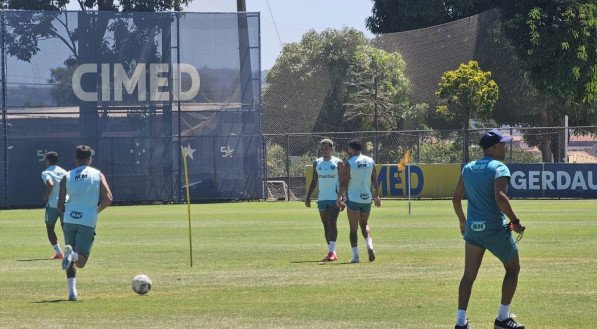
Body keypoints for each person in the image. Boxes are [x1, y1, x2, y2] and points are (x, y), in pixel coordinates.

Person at [452, 129, 525, 329]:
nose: (505, 147)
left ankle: (460, 322)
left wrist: (462, 221)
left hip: (473, 230)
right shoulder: (499, 167)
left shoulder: (468, 167)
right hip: (494, 229)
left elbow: (456, 198)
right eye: (503, 144)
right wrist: (515, 221)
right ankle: (503, 318)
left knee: (468, 276)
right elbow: (500, 197)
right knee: (513, 268)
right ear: (493, 147)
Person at [58, 145, 113, 301]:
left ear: (76, 159)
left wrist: (67, 214)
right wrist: (94, 211)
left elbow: (59, 206)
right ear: (90, 159)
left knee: (70, 257)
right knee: (80, 261)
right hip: (87, 220)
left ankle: (72, 292)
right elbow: (108, 198)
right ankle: (72, 254)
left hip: (69, 220)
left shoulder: (66, 175)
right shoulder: (97, 174)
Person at [338, 139, 381, 263]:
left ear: (352, 149)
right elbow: (374, 180)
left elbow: (345, 183)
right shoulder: (370, 161)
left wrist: (340, 197)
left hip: (354, 198)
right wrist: (376, 196)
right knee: (364, 224)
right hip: (366, 198)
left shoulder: (349, 163)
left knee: (353, 229)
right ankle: (370, 246)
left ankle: (356, 256)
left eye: (349, 148)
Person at [305, 139, 344, 261]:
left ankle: (331, 252)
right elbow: (314, 180)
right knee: (326, 225)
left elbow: (343, 182)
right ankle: (331, 251)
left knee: (332, 223)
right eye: (322, 149)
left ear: (331, 149)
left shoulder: (338, 162)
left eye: (326, 148)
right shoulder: (317, 163)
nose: (324, 151)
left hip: (334, 198)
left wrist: (343, 198)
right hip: (322, 198)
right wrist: (308, 197)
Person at [41, 151, 68, 259]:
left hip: (53, 204)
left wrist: (46, 195)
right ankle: (70, 252)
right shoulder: (64, 172)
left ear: (47, 160)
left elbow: (50, 184)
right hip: (66, 203)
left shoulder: (45, 172)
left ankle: (59, 253)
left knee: (50, 227)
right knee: (66, 229)